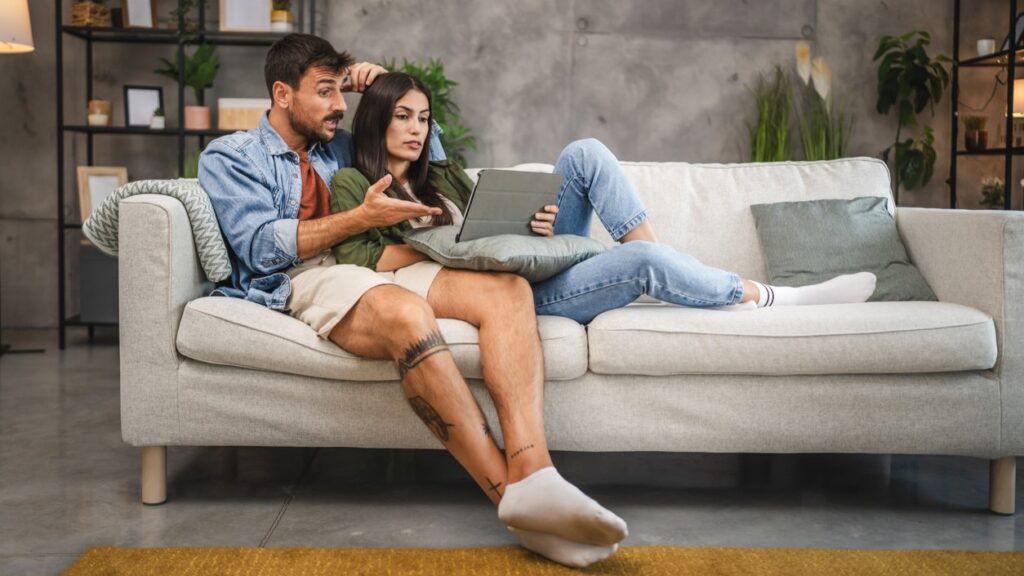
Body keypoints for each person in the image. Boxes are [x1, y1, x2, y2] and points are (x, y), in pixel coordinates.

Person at [199, 34, 626, 568]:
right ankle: (511, 502)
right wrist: (358, 220)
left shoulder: (339, 142)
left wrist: (382, 85)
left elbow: (421, 143)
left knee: (508, 289)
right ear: (282, 94)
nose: (339, 105)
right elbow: (260, 249)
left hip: (378, 255)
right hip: (304, 276)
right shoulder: (231, 156)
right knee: (406, 314)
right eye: (325, 91)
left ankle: (536, 472)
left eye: (341, 91)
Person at [330, 73, 877, 328]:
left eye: (423, 118)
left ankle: (667, 270)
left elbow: (493, 228)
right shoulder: (356, 182)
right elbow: (360, 258)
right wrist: (443, 243)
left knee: (584, 151)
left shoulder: (442, 174)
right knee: (643, 264)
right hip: (514, 291)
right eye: (401, 116)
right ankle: (772, 297)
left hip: (531, 258)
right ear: (376, 120)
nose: (418, 129)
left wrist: (534, 226)